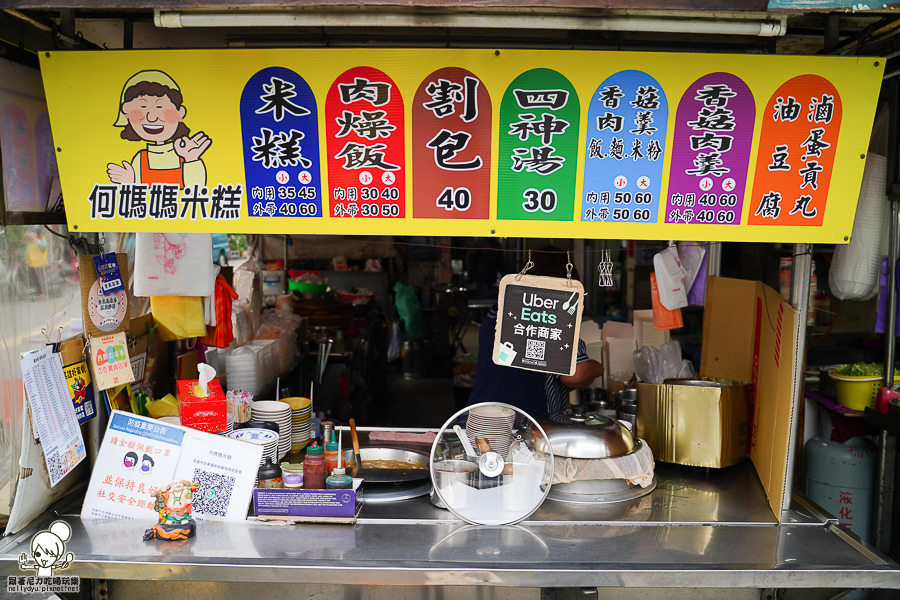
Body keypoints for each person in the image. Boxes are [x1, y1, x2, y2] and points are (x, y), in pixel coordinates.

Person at [467, 246, 603, 417]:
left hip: (479, 415)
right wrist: (598, 368)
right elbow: (575, 375)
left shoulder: (500, 308)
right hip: (523, 424)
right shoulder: (551, 316)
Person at [107, 70, 211, 188]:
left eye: (160, 107)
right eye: (142, 107)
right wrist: (131, 181)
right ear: (126, 113)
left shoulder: (184, 153)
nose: (152, 118)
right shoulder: (140, 159)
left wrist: (192, 159)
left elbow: (196, 190)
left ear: (180, 113)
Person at [465, 237, 503, 321]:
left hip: (486, 275)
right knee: (484, 297)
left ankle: (479, 318)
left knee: (484, 297)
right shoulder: (493, 244)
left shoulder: (484, 243)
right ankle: (484, 319)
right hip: (483, 275)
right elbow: (471, 258)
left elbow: (501, 261)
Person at [25, 226, 48, 299]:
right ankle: (37, 294)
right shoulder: (31, 241)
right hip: (32, 264)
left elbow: (42, 246)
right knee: (34, 280)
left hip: (40, 264)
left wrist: (35, 239)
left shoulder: (42, 239)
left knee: (40, 280)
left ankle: (42, 294)